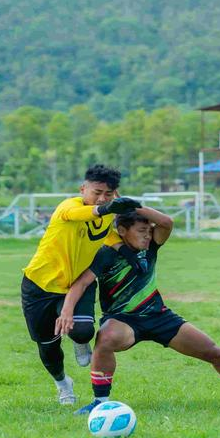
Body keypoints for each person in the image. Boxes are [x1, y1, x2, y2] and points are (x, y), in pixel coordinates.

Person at [63, 206, 220, 415]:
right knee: (105, 339)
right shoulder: (106, 254)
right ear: (122, 230)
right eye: (142, 231)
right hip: (123, 319)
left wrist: (132, 205)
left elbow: (167, 223)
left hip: (159, 316)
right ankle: (100, 403)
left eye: (149, 231)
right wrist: (67, 312)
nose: (147, 236)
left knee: (213, 351)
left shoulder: (151, 246)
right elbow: (81, 283)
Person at [20, 165, 141, 405]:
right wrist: (107, 207)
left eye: (108, 194)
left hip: (79, 283)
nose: (102, 198)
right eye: (97, 192)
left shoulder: (107, 214)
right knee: (48, 348)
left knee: (83, 330)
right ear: (83, 188)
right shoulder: (68, 207)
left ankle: (79, 341)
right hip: (40, 286)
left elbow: (106, 235)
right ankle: (63, 383)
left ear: (115, 193)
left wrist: (129, 253)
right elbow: (83, 216)